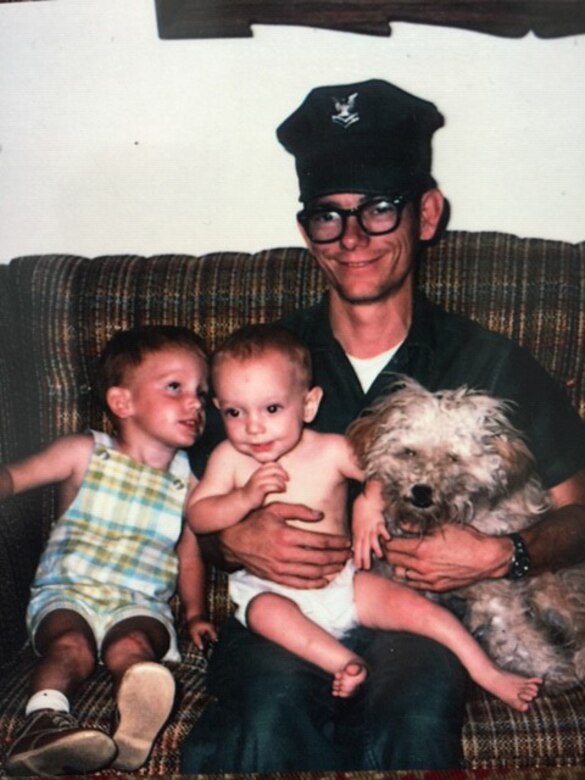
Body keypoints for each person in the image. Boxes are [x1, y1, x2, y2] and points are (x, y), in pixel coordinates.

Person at [181, 79, 585, 772]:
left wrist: (500, 556)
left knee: (414, 709)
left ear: (425, 215)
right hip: (287, 610)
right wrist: (237, 540)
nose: (352, 239)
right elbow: (197, 520)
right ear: (307, 228)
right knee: (266, 706)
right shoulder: (260, 364)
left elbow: (580, 513)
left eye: (379, 209)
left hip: (419, 614)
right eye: (327, 216)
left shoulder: (491, 362)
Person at [188, 322, 542, 705]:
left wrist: (368, 501)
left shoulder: (330, 449)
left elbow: (380, 469)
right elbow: (199, 516)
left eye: (271, 409)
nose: (253, 428)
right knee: (264, 614)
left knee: (423, 613)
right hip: (272, 591)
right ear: (219, 409)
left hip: (346, 583)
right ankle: (345, 663)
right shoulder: (230, 459)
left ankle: (486, 671)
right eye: (235, 413)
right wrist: (242, 500)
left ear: (308, 404)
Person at [1, 325, 216, 776]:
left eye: (202, 390)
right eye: (175, 387)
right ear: (122, 403)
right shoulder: (84, 452)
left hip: (140, 603)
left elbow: (190, 555)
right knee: (69, 644)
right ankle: (43, 725)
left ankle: (135, 725)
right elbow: (16, 477)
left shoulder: (191, 483)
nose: (196, 402)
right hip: (68, 592)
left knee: (134, 646)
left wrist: (195, 613)